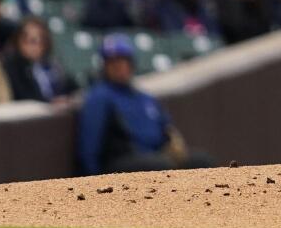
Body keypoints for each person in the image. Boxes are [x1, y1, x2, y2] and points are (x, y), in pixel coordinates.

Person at [76, 34, 213, 175]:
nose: (119, 67)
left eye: (122, 61)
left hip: (155, 156)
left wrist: (172, 144)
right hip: (121, 162)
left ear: (131, 63)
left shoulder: (144, 98)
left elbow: (166, 129)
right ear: (105, 66)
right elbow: (89, 149)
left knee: (200, 161)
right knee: (161, 165)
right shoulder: (100, 97)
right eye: (112, 63)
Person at [2, 17, 77, 104]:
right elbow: (24, 98)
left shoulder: (51, 64)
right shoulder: (11, 67)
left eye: (41, 41)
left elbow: (71, 86)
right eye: (32, 41)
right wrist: (51, 103)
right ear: (19, 41)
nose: (37, 46)